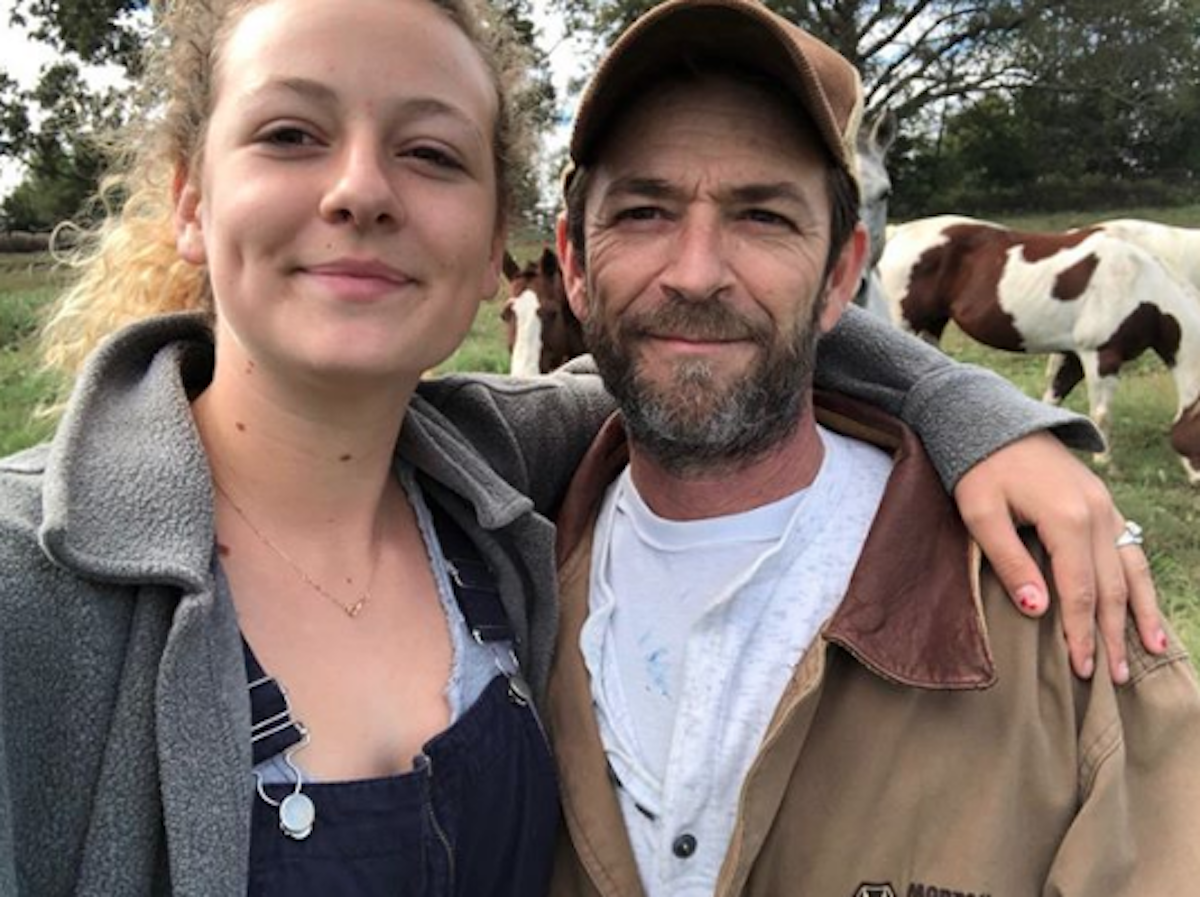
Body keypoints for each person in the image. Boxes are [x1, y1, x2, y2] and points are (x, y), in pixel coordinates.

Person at [0, 0, 1167, 894]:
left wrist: (982, 420)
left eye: (431, 152)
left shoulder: (488, 480)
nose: (360, 189)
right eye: (292, 132)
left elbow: (720, 345)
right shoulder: (27, 582)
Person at [544, 1, 1200, 894]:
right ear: (575, 263)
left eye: (765, 217)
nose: (695, 272)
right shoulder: (489, 579)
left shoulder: (1064, 622)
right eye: (646, 210)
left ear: (841, 276)